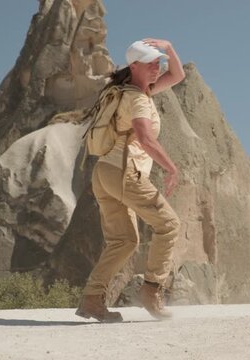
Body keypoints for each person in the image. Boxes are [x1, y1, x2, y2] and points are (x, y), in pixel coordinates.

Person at [75, 38, 185, 323]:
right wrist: (171, 168)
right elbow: (146, 139)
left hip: (105, 173)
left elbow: (177, 75)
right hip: (125, 172)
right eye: (151, 63)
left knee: (123, 241)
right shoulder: (136, 98)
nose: (157, 68)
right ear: (134, 66)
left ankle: (91, 299)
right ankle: (152, 290)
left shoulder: (130, 91)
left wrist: (169, 48)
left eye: (158, 62)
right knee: (169, 225)